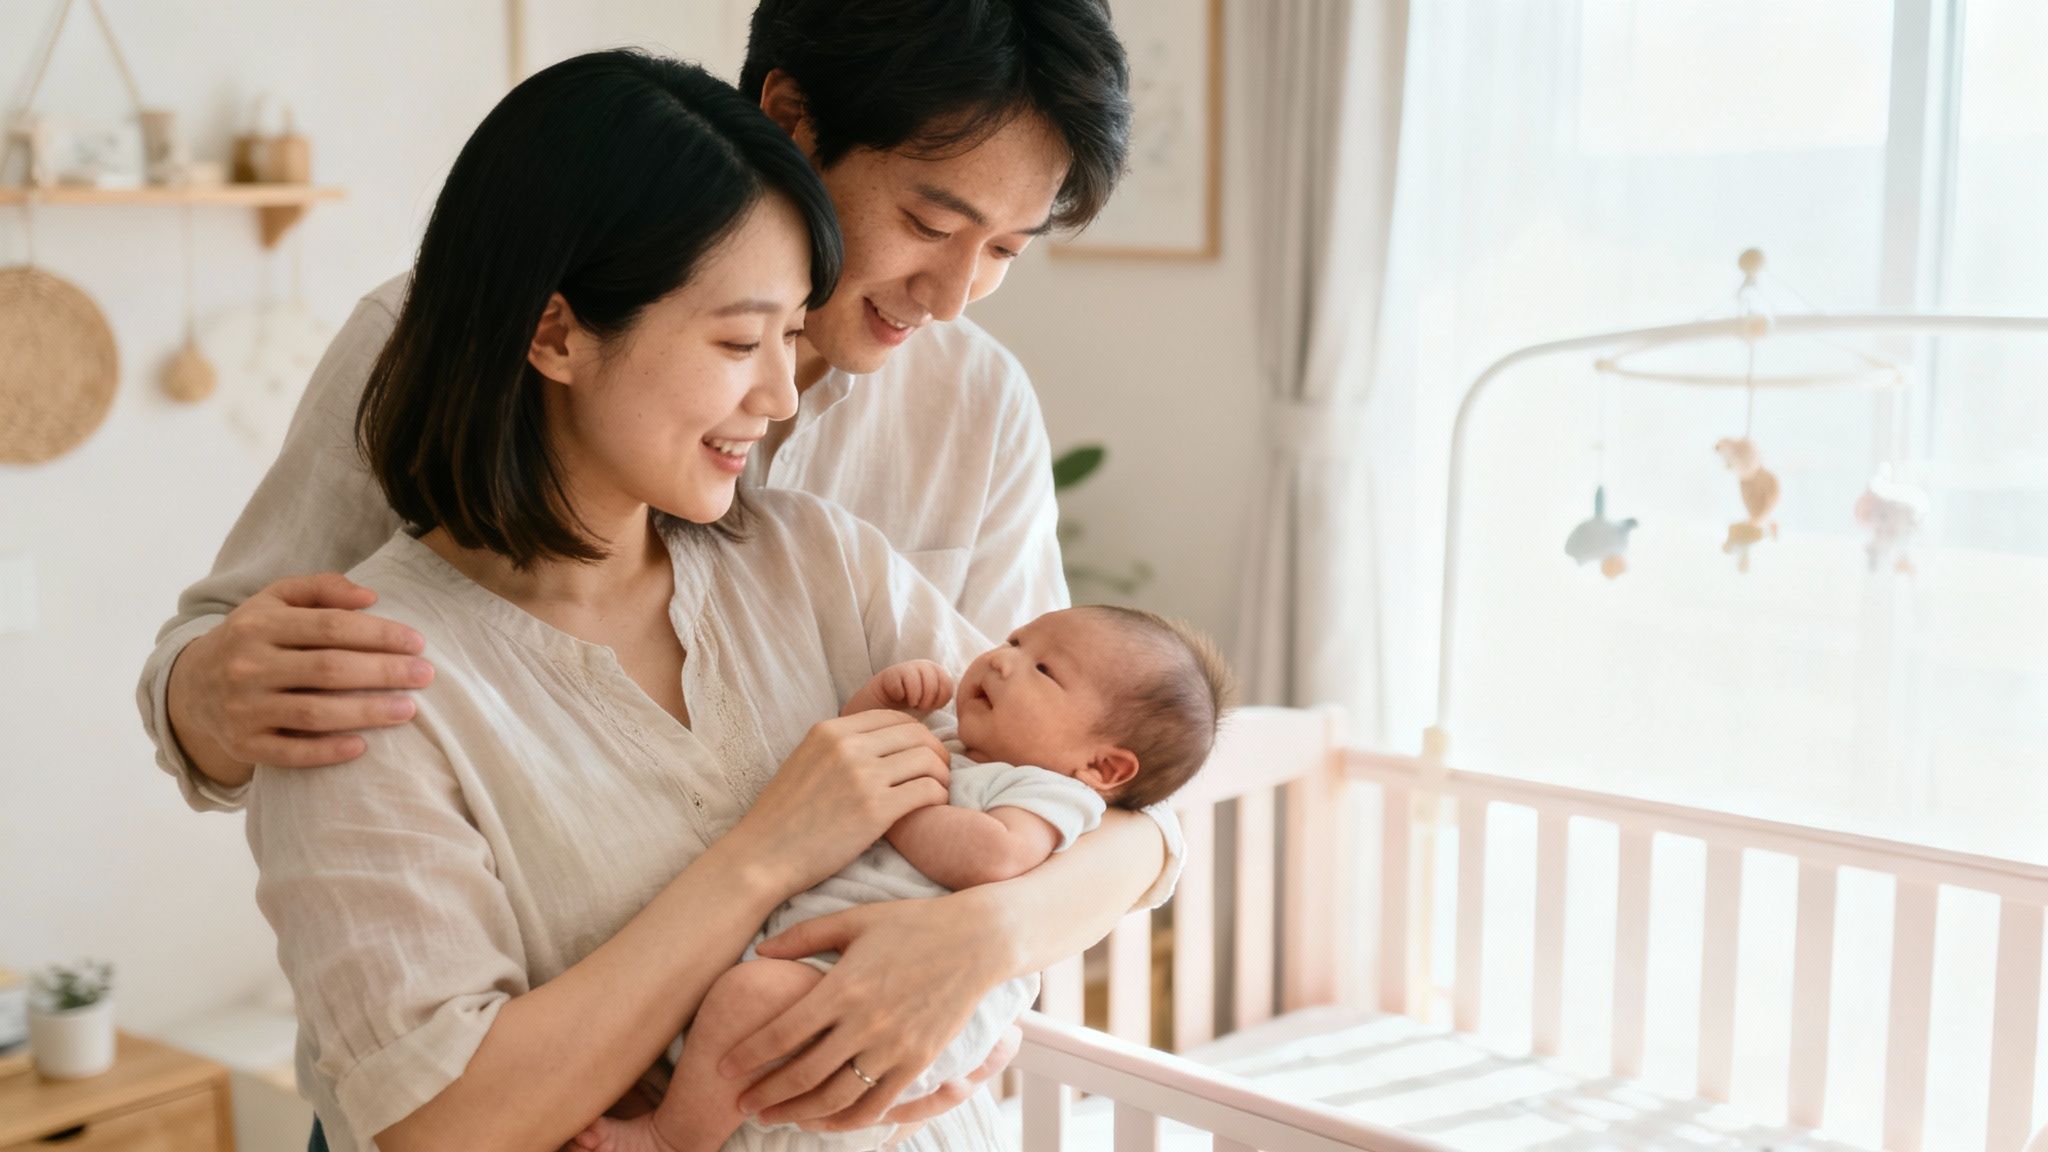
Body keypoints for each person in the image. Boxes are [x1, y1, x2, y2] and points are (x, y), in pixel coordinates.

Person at [134, 0, 1179, 1140]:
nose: (955, 290)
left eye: (1006, 252)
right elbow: (245, 662)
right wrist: (210, 693)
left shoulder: (909, 464)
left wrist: (980, 944)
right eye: (933, 220)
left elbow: (1085, 777)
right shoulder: (422, 379)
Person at [582, 607, 1236, 1152]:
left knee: (745, 998)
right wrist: (881, 707)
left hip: (900, 1000)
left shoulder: (1050, 793)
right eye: (1015, 640)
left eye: (1044, 669)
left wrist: (897, 803)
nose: (1004, 659)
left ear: (1102, 765)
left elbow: (994, 857)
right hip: (836, 965)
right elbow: (856, 752)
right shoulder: (953, 742)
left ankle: (673, 1138)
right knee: (725, 994)